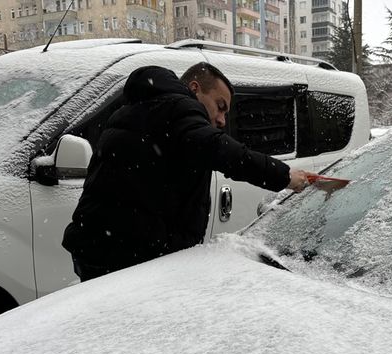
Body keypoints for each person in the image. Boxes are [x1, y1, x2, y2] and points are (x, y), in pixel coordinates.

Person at [62, 63, 316, 282]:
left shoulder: (135, 110)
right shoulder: (180, 109)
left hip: (98, 248)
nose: (222, 119)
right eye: (220, 106)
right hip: (129, 257)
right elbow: (220, 150)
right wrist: (284, 176)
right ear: (195, 88)